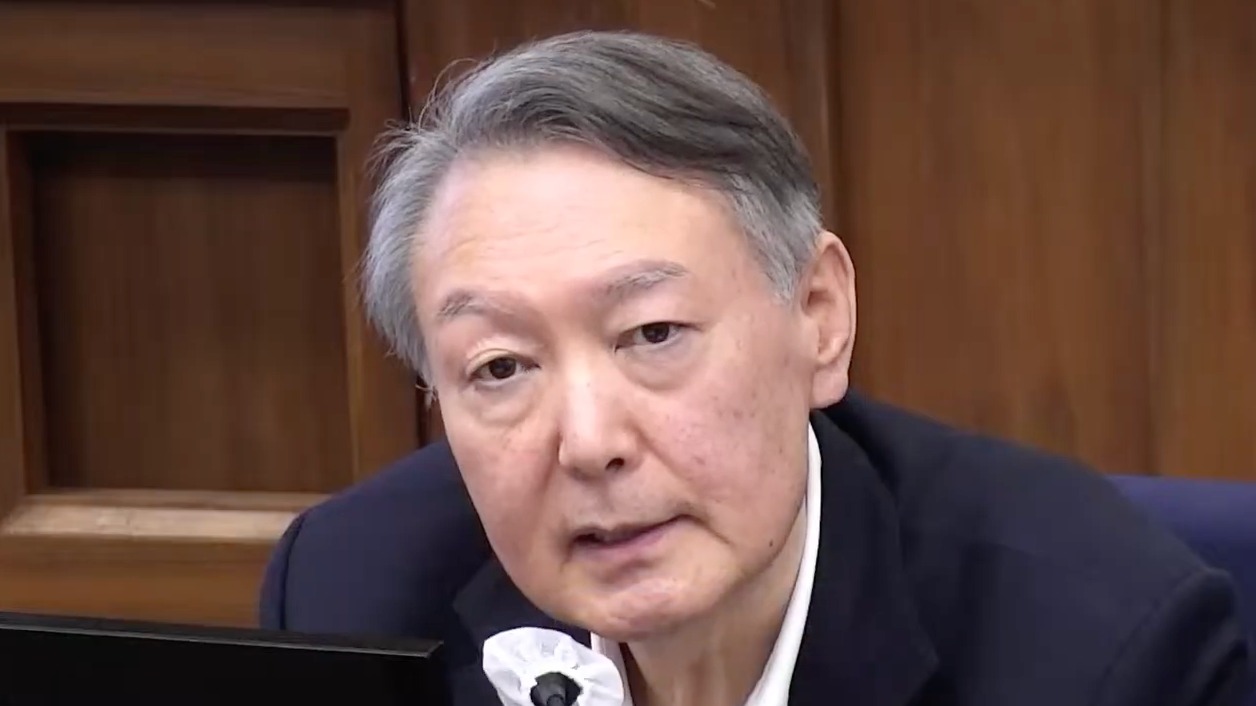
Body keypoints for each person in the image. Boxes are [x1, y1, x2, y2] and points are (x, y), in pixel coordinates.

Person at [259, 30, 1253, 706]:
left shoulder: (1100, 653)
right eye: (501, 367)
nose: (590, 443)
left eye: (652, 334)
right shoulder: (350, 595)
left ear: (818, 318)